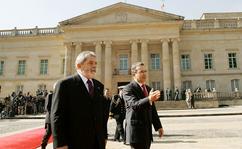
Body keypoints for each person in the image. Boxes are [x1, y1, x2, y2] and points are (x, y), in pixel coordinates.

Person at [51, 51, 106, 149]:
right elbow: (57, 116)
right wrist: (60, 144)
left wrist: (104, 137)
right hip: (74, 142)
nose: (94, 66)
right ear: (79, 65)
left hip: (97, 143)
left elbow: (101, 116)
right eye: (90, 63)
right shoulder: (65, 84)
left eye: (95, 63)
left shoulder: (98, 86)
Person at [122, 62, 164, 149]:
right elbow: (134, 105)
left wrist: (158, 126)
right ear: (134, 73)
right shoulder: (128, 89)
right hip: (135, 132)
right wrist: (149, 99)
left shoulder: (148, 88)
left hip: (147, 132)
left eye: (145, 71)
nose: (144, 74)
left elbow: (152, 110)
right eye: (141, 72)